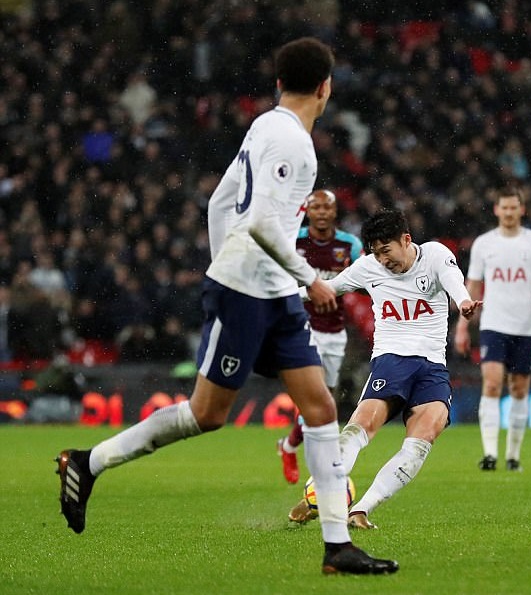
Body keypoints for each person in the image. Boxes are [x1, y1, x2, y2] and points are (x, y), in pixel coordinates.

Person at [55, 38, 397, 575]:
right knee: (206, 414)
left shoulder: (265, 125)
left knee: (322, 409)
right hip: (248, 294)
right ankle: (88, 462)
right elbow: (261, 221)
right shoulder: (293, 144)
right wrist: (309, 279)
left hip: (273, 293)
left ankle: (338, 548)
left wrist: (239, 261)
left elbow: (220, 201)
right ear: (326, 87)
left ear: (280, 83)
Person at [288, 208, 481, 529]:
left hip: (433, 367)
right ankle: (321, 490)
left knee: (424, 437)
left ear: (406, 240)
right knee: (362, 426)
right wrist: (274, 303)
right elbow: (327, 289)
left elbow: (453, 281)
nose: (382, 259)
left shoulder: (434, 255)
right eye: (376, 253)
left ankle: (360, 509)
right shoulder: (367, 268)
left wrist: (462, 302)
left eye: (386, 250)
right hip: (392, 360)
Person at [454, 186, 531, 472]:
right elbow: (472, 286)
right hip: (493, 324)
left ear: (521, 210)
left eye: (514, 208)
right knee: (491, 383)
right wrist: (462, 327)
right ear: (496, 210)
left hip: (526, 327)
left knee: (519, 389)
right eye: (505, 207)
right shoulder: (484, 244)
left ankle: (513, 455)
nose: (509, 212)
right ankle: (489, 454)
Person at [276, 188, 363, 485]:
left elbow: (363, 278)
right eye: (317, 208)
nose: (322, 213)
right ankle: (324, 470)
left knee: (323, 404)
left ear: (335, 212)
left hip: (335, 332)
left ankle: (288, 446)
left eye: (328, 208)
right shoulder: (293, 240)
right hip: (301, 328)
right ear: (307, 211)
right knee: (319, 402)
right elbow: (278, 281)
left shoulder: (349, 245)